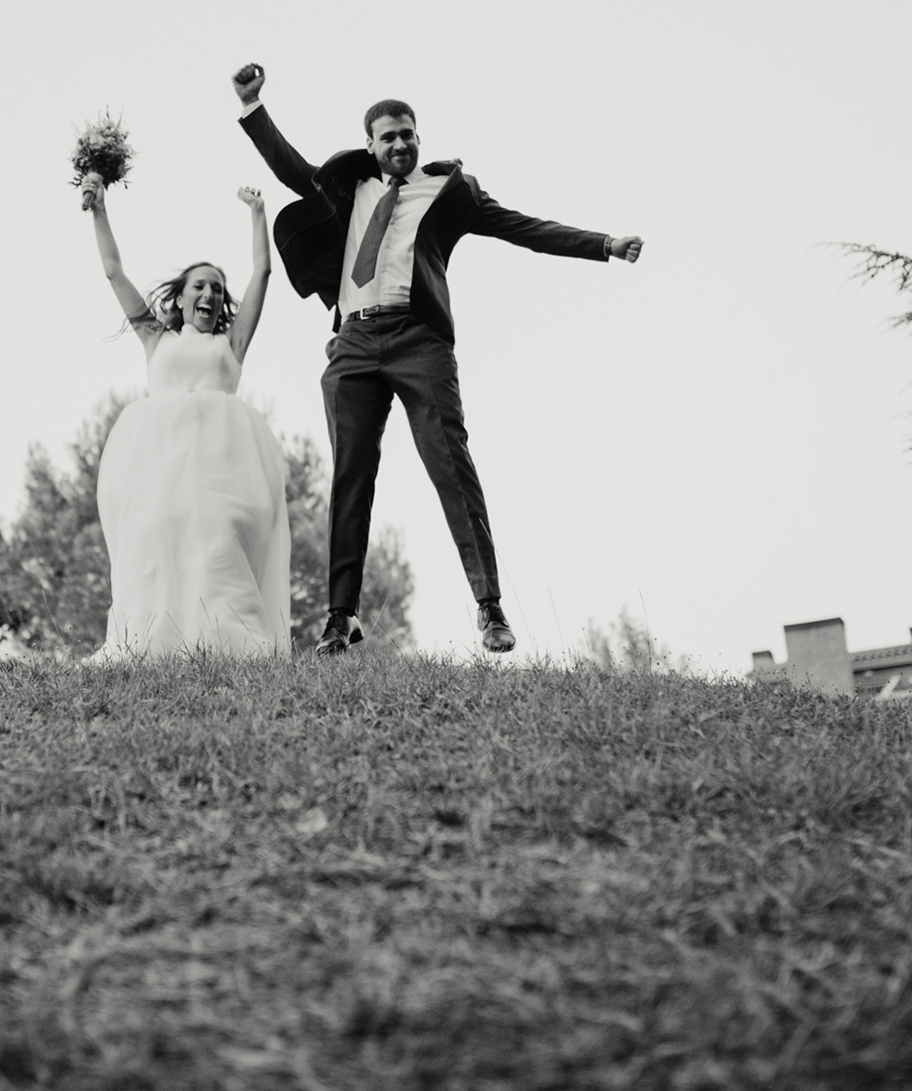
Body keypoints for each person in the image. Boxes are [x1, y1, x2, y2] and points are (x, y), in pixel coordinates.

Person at [230, 63, 644, 657]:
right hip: (352, 344)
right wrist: (253, 107)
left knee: (451, 467)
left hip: (418, 341)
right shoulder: (350, 186)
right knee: (350, 478)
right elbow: (294, 170)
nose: (399, 145)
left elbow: (523, 227)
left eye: (408, 135)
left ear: (418, 139)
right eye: (387, 137)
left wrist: (602, 245)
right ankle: (340, 618)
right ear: (371, 144)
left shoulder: (451, 193)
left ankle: (490, 608)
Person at [81, 170, 292, 656]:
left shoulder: (231, 343)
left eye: (217, 289)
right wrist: (99, 210)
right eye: (200, 286)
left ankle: (229, 642)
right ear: (181, 297)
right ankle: (152, 640)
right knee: (156, 541)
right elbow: (115, 271)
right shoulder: (157, 339)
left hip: (221, 467)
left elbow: (262, 274)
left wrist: (259, 215)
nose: (210, 295)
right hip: (159, 463)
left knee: (217, 541)